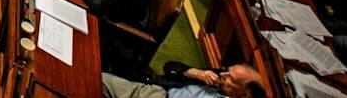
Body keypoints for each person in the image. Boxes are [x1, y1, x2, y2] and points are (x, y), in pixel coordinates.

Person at [101, 64, 266, 98]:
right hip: (156, 94)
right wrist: (195, 73)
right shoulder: (213, 76)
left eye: (231, 78)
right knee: (101, 80)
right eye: (227, 71)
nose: (223, 74)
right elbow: (169, 67)